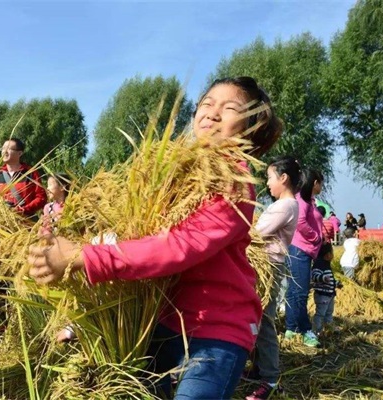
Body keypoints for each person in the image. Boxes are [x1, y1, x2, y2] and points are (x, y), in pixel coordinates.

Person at [28, 76, 283, 399]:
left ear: (252, 128)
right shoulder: (170, 177)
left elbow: (178, 246)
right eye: (206, 104)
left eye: (230, 108)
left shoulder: (234, 183)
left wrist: (83, 257)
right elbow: (135, 236)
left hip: (216, 332)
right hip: (162, 325)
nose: (212, 113)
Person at [245, 156, 299, 400]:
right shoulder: (288, 205)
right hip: (267, 266)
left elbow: (256, 234)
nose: (267, 183)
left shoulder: (284, 206)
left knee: (263, 321)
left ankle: (269, 377)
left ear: (283, 178)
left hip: (268, 267)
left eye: (269, 177)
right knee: (256, 318)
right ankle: (258, 369)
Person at [284, 169, 323, 348]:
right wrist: (315, 236)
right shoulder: (303, 200)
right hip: (300, 249)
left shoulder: (309, 201)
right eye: (320, 183)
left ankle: (291, 328)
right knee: (300, 293)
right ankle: (306, 330)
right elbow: (300, 222)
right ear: (314, 182)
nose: (321, 186)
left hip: (300, 250)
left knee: (293, 292)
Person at [0, 138, 46, 220]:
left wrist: (23, 210)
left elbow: (41, 198)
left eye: (9, 149)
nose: (4, 151)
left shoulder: (30, 173)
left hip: (25, 222)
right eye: (3, 148)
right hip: (3, 223)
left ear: (20, 153)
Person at [311, 241, 341, 334]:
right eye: (332, 252)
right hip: (322, 295)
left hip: (329, 295)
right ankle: (316, 330)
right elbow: (314, 275)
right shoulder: (319, 264)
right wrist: (322, 278)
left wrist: (336, 283)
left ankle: (329, 327)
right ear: (327, 254)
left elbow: (330, 279)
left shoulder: (326, 264)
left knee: (329, 312)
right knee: (320, 313)